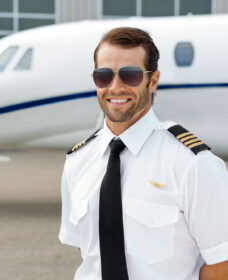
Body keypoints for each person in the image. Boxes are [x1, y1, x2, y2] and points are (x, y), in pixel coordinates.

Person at [59, 27, 228, 280]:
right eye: (103, 76)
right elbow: (89, 253)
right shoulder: (77, 161)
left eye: (131, 75)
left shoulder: (193, 165)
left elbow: (221, 264)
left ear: (154, 80)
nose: (115, 87)